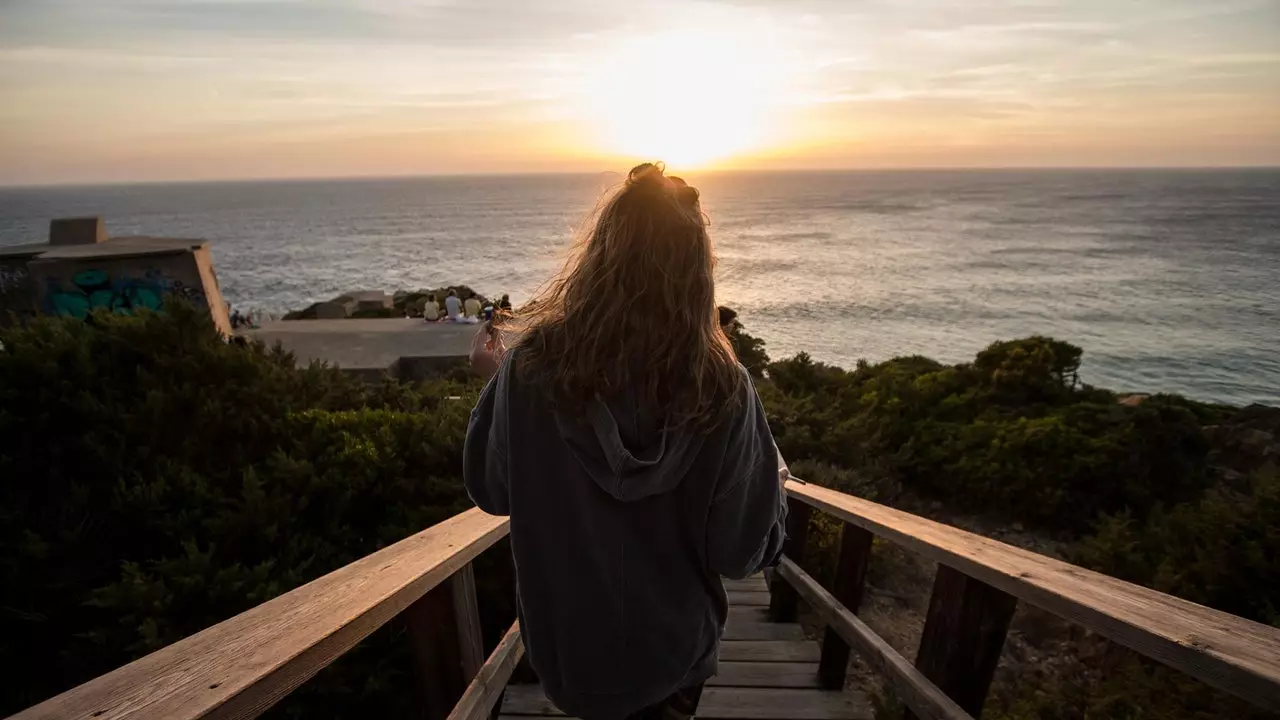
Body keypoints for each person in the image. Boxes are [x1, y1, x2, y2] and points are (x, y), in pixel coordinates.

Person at [465, 163, 787, 720]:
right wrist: (773, 497)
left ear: (599, 256)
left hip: (568, 655)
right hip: (673, 654)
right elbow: (739, 553)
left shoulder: (529, 371)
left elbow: (492, 490)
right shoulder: (722, 387)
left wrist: (496, 384)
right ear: (697, 272)